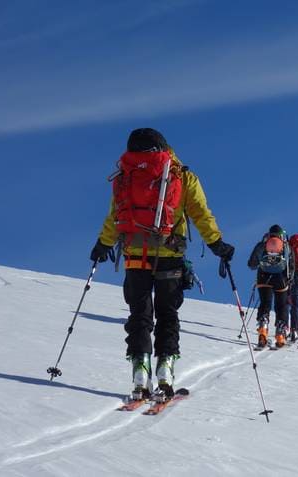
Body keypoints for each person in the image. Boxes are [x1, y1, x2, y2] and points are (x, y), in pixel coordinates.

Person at [90, 128, 235, 401]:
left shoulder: (125, 175)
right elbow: (201, 214)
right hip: (170, 255)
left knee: (139, 315)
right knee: (167, 314)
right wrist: (217, 244)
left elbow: (115, 215)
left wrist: (103, 245)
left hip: (135, 255)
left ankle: (139, 374)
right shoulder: (181, 176)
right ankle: (165, 372)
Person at [248, 225, 295, 348]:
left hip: (263, 277)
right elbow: (291, 265)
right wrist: (289, 280)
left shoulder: (262, 244)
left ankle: (263, 330)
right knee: (281, 305)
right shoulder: (286, 246)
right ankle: (280, 335)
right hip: (281, 279)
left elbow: (251, 264)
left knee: (265, 303)